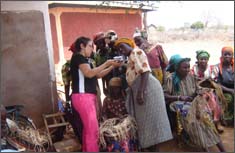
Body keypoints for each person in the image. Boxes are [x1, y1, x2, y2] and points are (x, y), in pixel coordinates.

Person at [114, 38, 173, 151]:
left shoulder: (136, 52)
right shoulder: (131, 55)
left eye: (122, 46)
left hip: (147, 89)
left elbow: (145, 71)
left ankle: (154, 149)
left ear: (129, 44)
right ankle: (151, 148)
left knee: (150, 121)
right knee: (147, 121)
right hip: (143, 88)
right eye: (118, 49)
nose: (120, 50)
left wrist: (141, 92)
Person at [163, 55, 226, 152]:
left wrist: (201, 92)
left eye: (188, 67)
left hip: (192, 103)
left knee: (206, 119)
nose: (188, 69)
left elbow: (197, 89)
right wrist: (180, 97)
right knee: (195, 121)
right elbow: (165, 95)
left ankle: (222, 149)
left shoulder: (191, 77)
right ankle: (205, 148)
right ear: (177, 68)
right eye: (184, 67)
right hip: (178, 104)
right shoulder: (170, 79)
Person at [70, 36, 121, 152]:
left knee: (88, 129)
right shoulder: (78, 57)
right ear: (82, 46)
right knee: (93, 130)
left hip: (87, 97)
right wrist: (107, 63)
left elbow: (97, 75)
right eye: (90, 46)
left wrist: (112, 66)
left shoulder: (86, 60)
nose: (92, 49)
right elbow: (88, 73)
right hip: (83, 97)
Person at [100, 77, 138, 152]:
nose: (115, 91)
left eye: (116, 88)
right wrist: (108, 124)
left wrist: (123, 121)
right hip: (112, 127)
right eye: (112, 88)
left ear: (120, 89)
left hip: (124, 126)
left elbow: (129, 113)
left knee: (126, 137)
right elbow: (104, 114)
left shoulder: (124, 99)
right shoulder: (107, 100)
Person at [191, 50, 224, 133]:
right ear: (197, 59)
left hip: (210, 89)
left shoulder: (212, 68)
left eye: (205, 59)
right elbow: (193, 81)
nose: (203, 61)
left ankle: (216, 123)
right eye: (201, 59)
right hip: (198, 89)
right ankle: (204, 126)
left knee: (214, 100)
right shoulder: (194, 69)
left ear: (208, 60)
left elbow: (213, 81)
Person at [213, 46, 234, 126]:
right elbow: (216, 84)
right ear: (221, 55)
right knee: (229, 98)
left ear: (232, 56)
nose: (227, 56)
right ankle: (227, 119)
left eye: (229, 54)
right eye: (225, 54)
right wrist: (230, 90)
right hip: (222, 91)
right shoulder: (217, 68)